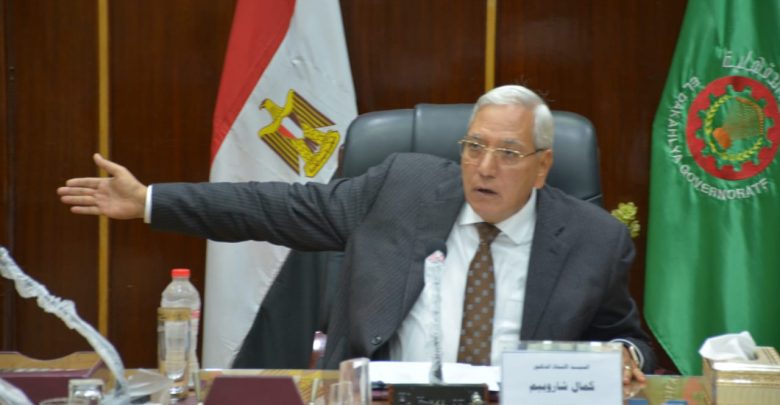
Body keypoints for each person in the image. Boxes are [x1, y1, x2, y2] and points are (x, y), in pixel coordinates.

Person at [58, 85, 655, 383]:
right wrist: (150, 201)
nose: (485, 168)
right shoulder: (403, 187)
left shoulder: (594, 239)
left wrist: (625, 358)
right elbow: (274, 208)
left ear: (544, 167)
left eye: (508, 153)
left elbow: (624, 339)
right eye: (474, 147)